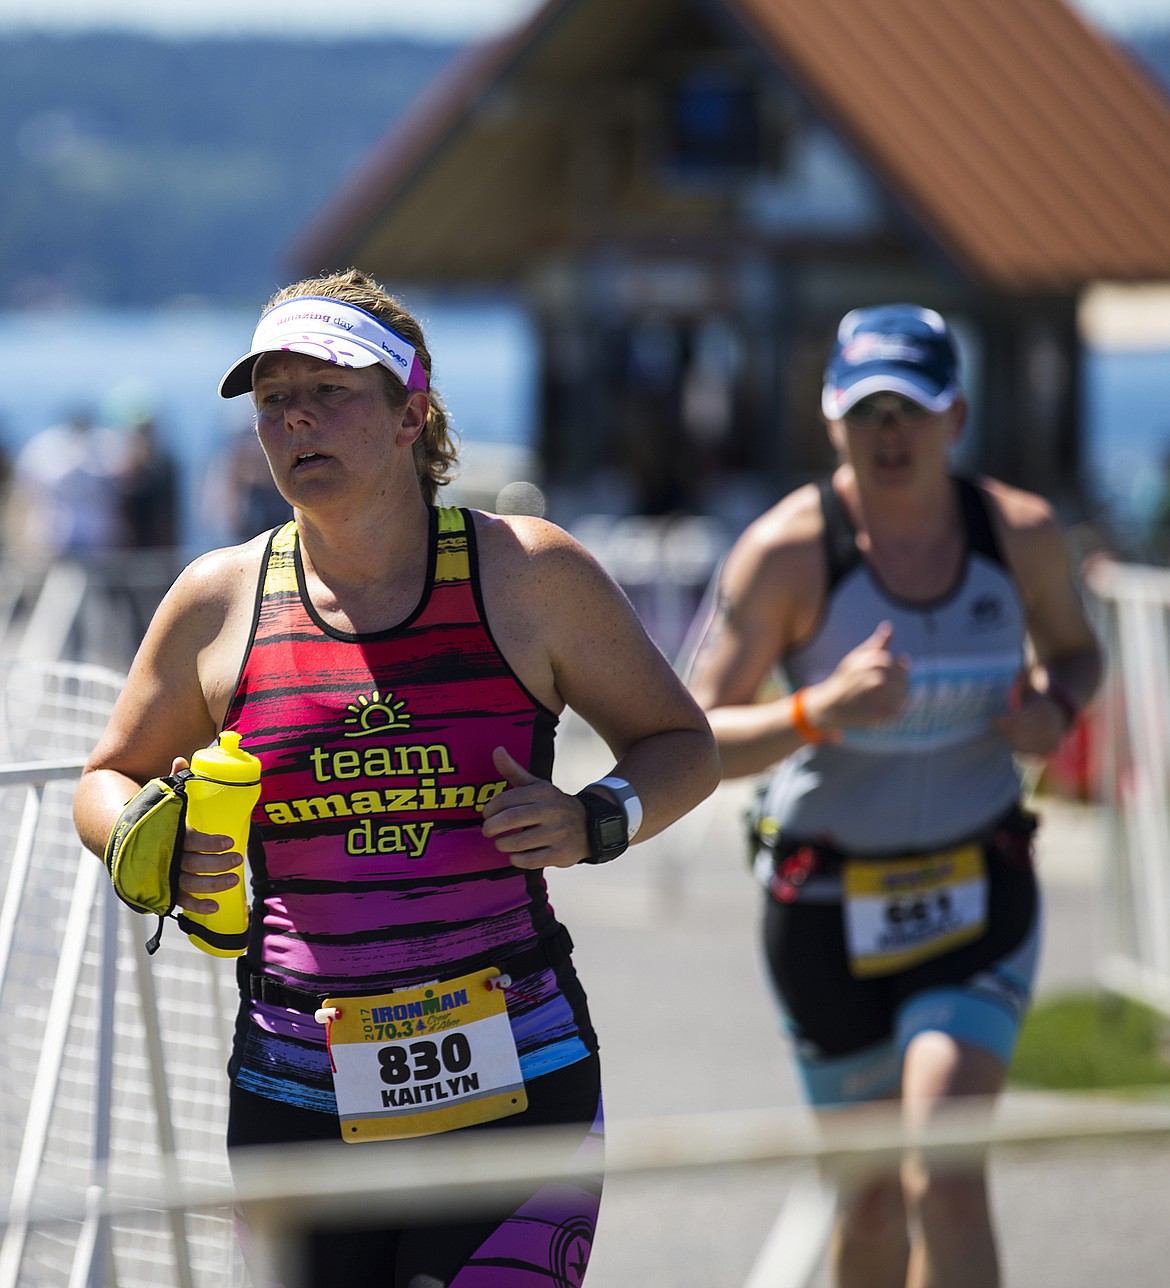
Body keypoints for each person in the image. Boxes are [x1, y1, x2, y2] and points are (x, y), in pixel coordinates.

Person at [74, 268, 720, 1288]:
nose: (295, 420)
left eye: (327, 391)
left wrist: (598, 817)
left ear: (411, 412)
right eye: (273, 400)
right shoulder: (220, 599)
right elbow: (107, 774)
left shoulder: (527, 573)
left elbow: (683, 743)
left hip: (514, 1079)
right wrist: (145, 839)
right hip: (298, 1091)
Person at [687, 303, 1102, 1288]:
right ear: (830, 419)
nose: (888, 434)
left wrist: (1057, 704)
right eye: (864, 409)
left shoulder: (1021, 535)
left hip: (979, 893)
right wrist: (818, 709)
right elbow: (694, 735)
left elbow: (1081, 652)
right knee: (869, 1200)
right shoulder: (788, 553)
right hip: (827, 909)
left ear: (956, 416)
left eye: (910, 408)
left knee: (944, 1176)